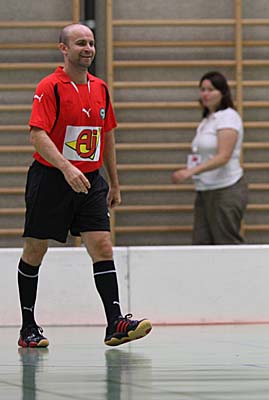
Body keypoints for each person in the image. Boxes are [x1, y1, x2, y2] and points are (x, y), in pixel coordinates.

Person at [18, 23, 152, 348]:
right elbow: (38, 134)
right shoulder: (50, 87)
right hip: (51, 178)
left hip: (91, 181)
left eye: (91, 43)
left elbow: (107, 135)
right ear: (63, 49)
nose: (88, 48)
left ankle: (115, 322)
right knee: (35, 249)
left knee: (102, 246)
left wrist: (114, 183)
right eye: (80, 43)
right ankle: (28, 327)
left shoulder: (101, 88)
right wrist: (66, 168)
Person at [171, 71, 248, 245]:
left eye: (210, 90)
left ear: (222, 93)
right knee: (201, 244)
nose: (205, 94)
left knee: (226, 242)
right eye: (202, 89)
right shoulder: (207, 120)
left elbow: (224, 156)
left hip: (225, 189)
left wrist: (190, 172)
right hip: (205, 189)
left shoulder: (228, 117)